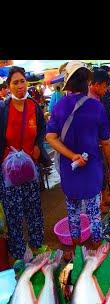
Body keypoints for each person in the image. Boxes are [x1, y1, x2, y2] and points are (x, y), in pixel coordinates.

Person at [46, 62, 110, 259]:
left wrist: (71, 155)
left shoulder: (58, 106)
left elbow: (50, 137)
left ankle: (76, 250)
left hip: (70, 169)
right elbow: (106, 143)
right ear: (87, 83)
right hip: (92, 167)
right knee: (93, 211)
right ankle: (97, 249)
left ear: (68, 83)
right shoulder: (96, 107)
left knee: (73, 211)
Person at [0, 66, 47, 263]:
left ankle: (37, 244)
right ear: (8, 86)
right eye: (15, 83)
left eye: (22, 81)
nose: (20, 86)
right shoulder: (3, 110)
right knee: (14, 212)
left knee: (34, 208)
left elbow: (41, 130)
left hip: (30, 169)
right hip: (9, 172)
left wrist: (38, 146)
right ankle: (19, 251)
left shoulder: (34, 106)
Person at [89, 68, 110, 212]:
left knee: (103, 171)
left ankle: (105, 197)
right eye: (106, 86)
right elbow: (105, 140)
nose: (107, 90)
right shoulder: (92, 101)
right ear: (98, 84)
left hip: (98, 142)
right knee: (98, 172)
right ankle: (99, 205)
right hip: (94, 144)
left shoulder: (95, 97)